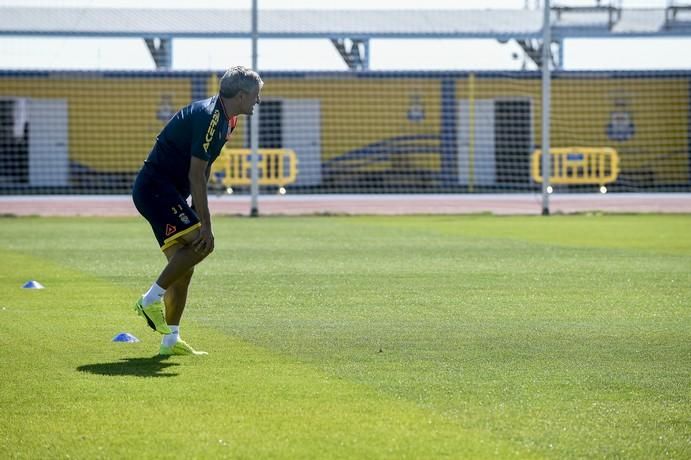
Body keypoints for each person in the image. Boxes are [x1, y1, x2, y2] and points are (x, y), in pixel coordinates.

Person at [132, 66, 263, 356]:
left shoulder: (227, 119)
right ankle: (150, 298)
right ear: (241, 95)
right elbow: (196, 173)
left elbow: (204, 167)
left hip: (167, 193)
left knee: (183, 269)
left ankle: (170, 341)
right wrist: (205, 222)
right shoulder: (209, 118)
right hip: (156, 190)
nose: (257, 101)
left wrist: (193, 206)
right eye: (255, 96)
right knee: (203, 244)